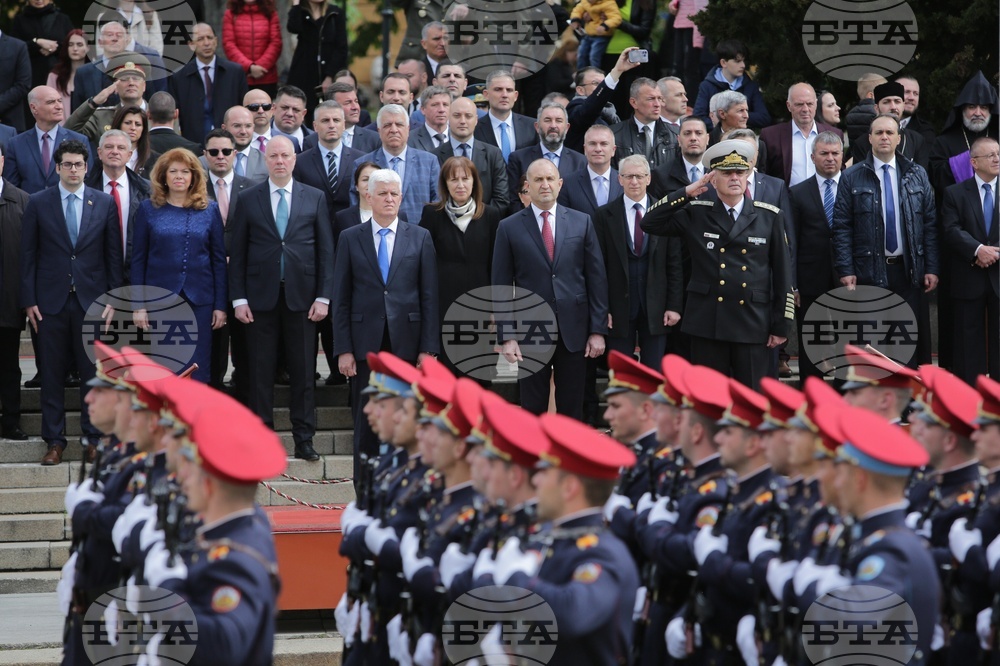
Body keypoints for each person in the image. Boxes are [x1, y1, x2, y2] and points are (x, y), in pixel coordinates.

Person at [138, 377, 286, 666]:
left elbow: (220, 645)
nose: (181, 478)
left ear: (209, 486)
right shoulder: (224, 535)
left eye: (190, 471)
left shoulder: (236, 558)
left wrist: (165, 590)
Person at [474, 413, 639, 664]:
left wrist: (518, 580)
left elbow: (572, 613)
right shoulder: (555, 540)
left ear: (569, 487)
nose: (536, 479)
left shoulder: (603, 553)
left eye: (546, 471)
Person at [791, 407, 940, 665]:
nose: (836, 484)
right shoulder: (880, 540)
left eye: (842, 474)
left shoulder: (893, 551)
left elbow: (852, 622)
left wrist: (814, 588)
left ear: (859, 479)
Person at [641, 140, 794, 388]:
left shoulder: (769, 217)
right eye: (726, 173)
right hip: (709, 322)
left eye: (740, 172)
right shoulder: (697, 212)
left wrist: (781, 325)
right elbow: (649, 222)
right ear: (712, 179)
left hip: (752, 321)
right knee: (709, 400)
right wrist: (686, 192)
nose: (734, 177)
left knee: (752, 400)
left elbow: (783, 275)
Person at [228, 136, 333, 462]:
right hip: (259, 300)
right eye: (273, 156)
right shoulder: (248, 199)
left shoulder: (313, 197)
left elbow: (326, 251)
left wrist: (324, 296)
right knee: (260, 373)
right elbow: (238, 253)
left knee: (303, 372)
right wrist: (238, 300)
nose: (279, 161)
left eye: (285, 155)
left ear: (294, 159)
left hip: (303, 299)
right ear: (266, 159)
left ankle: (304, 438)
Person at [20, 139, 123, 465]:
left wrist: (112, 298)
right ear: (58, 167)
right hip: (49, 304)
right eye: (68, 164)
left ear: (87, 166)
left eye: (79, 164)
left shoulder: (103, 203)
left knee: (93, 374)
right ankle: (54, 441)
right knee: (50, 375)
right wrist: (29, 300)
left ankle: (93, 439)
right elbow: (28, 256)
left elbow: (112, 257)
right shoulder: (38, 202)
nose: (74, 169)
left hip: (93, 302)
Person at [332, 168, 439, 478]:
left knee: (406, 421)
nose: (389, 198)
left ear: (401, 197)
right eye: (383, 193)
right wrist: (344, 349)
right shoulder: (350, 238)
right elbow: (341, 297)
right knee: (366, 423)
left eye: (394, 193)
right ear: (369, 196)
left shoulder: (420, 237)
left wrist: (428, 349)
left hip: (407, 343)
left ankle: (405, 489)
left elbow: (429, 296)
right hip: (365, 346)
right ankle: (364, 493)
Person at [492, 158, 609, 419]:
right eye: (537, 180)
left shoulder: (582, 222)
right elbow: (500, 286)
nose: (544, 185)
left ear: (560, 184)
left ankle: (568, 458)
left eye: (549, 179)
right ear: (528, 186)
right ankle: (534, 458)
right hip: (530, 331)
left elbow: (596, 279)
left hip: (575, 329)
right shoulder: (508, 227)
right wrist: (507, 335)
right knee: (532, 408)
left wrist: (597, 330)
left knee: (571, 407)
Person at [833, 114, 939, 367]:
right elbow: (842, 227)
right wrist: (846, 269)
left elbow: (929, 225)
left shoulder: (917, 174)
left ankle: (908, 404)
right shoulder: (851, 176)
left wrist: (932, 267)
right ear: (869, 138)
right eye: (878, 132)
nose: (884, 137)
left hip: (909, 270)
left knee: (907, 340)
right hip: (869, 271)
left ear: (898, 138)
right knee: (874, 343)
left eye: (889, 133)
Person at [131, 147, 226, 384]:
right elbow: (138, 259)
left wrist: (220, 305)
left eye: (185, 171)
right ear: (163, 175)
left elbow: (218, 260)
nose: (179, 176)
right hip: (161, 301)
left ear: (194, 176)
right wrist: (138, 305)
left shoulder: (209, 210)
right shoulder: (148, 209)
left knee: (198, 365)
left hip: (201, 301)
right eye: (173, 171)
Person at [594, 154, 682, 367]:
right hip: (618, 308)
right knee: (622, 373)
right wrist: (602, 310)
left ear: (648, 179)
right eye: (629, 176)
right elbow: (598, 267)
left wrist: (674, 306)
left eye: (639, 176)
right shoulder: (603, 216)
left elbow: (675, 265)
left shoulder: (665, 214)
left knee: (654, 372)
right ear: (619, 179)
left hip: (658, 308)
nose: (634, 181)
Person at [420, 155, 501, 350]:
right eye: (453, 179)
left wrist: (495, 310)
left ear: (474, 182)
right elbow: (425, 263)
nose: (460, 185)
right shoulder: (432, 214)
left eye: (465, 178)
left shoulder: (490, 215)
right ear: (445, 184)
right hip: (444, 309)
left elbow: (496, 265)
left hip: (481, 308)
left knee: (479, 375)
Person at [941, 137, 999, 384]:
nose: (997, 159)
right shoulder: (955, 193)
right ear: (974, 162)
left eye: (998, 154)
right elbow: (950, 229)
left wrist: (993, 252)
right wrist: (977, 250)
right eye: (990, 156)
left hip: (998, 275)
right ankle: (968, 400)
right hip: (968, 274)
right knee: (967, 342)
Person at [789, 131, 844, 382]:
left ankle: (849, 392)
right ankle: (813, 394)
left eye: (835, 153)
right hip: (811, 276)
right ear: (812, 157)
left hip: (848, 275)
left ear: (843, 156)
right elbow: (793, 240)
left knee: (849, 337)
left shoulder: (855, 187)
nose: (830, 159)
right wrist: (794, 284)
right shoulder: (797, 193)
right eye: (824, 154)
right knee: (812, 336)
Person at [203, 128, 252, 393]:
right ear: (205, 155)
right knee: (214, 353)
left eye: (226, 151)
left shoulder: (252, 188)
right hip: (208, 281)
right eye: (214, 152)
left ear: (235, 153)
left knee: (246, 354)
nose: (220, 157)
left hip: (245, 281)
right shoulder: (195, 188)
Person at [355, 104, 440, 226]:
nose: (394, 130)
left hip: (420, 237)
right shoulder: (362, 164)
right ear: (379, 131)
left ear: (408, 129)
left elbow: (437, 205)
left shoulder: (429, 162)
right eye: (387, 125)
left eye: (399, 125)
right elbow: (357, 209)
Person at [84, 129, 151, 281]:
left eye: (121, 148)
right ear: (99, 153)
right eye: (109, 147)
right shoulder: (85, 190)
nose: (114, 152)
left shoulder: (147, 191)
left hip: (137, 277)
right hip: (96, 278)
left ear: (129, 155)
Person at [169, 23, 249, 146]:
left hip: (230, 143)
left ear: (216, 41)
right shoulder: (179, 77)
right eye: (200, 39)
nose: (206, 43)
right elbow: (175, 117)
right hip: (193, 144)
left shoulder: (234, 72)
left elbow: (244, 109)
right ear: (191, 45)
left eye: (210, 38)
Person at [2, 85, 90, 194]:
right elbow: (11, 187)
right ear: (34, 108)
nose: (59, 107)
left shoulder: (79, 140)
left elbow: (87, 181)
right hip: (29, 208)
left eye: (60, 101)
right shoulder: (16, 143)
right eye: (51, 102)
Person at [434, 96, 509, 215]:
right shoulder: (434, 155)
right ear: (448, 119)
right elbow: (435, 196)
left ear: (476, 120)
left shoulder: (493, 154)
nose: (462, 121)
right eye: (457, 115)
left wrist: (478, 222)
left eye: (468, 116)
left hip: (485, 227)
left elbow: (501, 198)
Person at [759, 82, 844, 186]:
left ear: (816, 104)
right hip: (786, 200)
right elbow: (762, 176)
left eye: (809, 104)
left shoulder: (835, 134)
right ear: (789, 106)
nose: (805, 109)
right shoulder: (770, 136)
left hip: (824, 200)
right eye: (799, 104)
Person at [0, 143, 29, 440]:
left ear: (3, 161)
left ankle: (11, 421)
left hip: (8, 300)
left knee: (9, 366)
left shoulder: (21, 200)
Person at [507, 102, 587, 206]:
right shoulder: (518, 159)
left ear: (567, 128)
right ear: (537, 127)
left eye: (558, 121)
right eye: (547, 120)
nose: (553, 125)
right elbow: (513, 201)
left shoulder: (581, 162)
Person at [65, 53, 150, 147]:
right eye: (124, 79)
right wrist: (93, 103)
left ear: (144, 86)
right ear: (115, 87)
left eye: (136, 78)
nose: (131, 83)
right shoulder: (102, 117)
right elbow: (68, 132)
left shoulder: (157, 115)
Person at [286, 0, 347, 119]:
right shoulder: (300, 11)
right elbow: (293, 27)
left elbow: (341, 48)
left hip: (328, 74)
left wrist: (329, 76)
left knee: (330, 114)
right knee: (304, 115)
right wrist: (296, 5)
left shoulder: (335, 13)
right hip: (304, 75)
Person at [692, 38, 770, 131]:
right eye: (737, 61)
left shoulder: (750, 86)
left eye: (743, 61)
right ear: (724, 63)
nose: (743, 65)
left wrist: (730, 116)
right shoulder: (707, 86)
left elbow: (764, 118)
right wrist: (730, 121)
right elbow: (698, 118)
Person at [850, 81, 929, 169]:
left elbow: (921, 178)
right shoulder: (862, 143)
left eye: (897, 101)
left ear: (903, 106)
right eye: (886, 102)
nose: (893, 107)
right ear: (876, 108)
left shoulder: (917, 140)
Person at [611, 77, 677, 171]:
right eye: (651, 99)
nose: (657, 104)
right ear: (634, 103)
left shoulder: (676, 134)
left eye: (659, 98)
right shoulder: (614, 135)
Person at [559, 124, 624, 218]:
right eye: (592, 144)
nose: (598, 149)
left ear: (613, 150)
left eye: (604, 144)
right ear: (585, 149)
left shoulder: (625, 181)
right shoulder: (568, 183)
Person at [9, 0, 73, 91]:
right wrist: (37, 42)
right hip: (31, 76)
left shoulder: (62, 19)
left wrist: (54, 47)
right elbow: (14, 47)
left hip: (59, 76)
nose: (39, 0)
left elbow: (71, 44)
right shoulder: (20, 20)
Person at [222, 0, 282, 98]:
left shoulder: (270, 12)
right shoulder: (231, 13)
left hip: (266, 77)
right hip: (241, 77)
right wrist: (249, 67)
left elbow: (276, 43)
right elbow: (229, 44)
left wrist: (260, 67)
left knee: (265, 111)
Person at [474, 70, 538, 161]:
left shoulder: (532, 126)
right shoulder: (475, 128)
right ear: (486, 94)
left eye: (509, 90)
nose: (504, 95)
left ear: (515, 96)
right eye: (498, 89)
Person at [323, 83, 381, 153]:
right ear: (331, 107)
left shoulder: (374, 139)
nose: (355, 107)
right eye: (348, 103)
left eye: (356, 101)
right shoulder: (313, 140)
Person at [45, 28, 88, 120]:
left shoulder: (95, 75)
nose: (75, 49)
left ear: (88, 48)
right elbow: (49, 106)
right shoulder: (55, 76)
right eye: (71, 45)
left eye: (79, 45)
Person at [219, 104, 269, 182]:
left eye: (248, 126)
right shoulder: (206, 162)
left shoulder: (266, 161)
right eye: (237, 126)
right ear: (224, 128)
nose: (243, 131)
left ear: (253, 128)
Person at [570, 0, 622, 69]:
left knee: (594, 56)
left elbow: (616, 18)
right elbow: (577, 10)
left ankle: (595, 73)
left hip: (601, 35)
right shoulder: (585, 2)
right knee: (581, 54)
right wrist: (575, 19)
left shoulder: (608, 3)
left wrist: (605, 25)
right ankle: (580, 74)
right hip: (588, 33)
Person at [111, 104, 159, 177]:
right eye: (128, 123)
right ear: (118, 125)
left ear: (143, 129)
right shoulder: (104, 157)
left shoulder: (155, 160)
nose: (133, 128)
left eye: (138, 124)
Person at [270, 85, 314, 152]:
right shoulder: (258, 137)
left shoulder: (316, 141)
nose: (290, 114)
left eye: (296, 110)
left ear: (303, 114)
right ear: (274, 109)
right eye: (285, 108)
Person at [407, 86, 451, 152]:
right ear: (423, 109)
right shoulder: (410, 139)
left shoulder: (459, 137)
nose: (441, 110)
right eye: (435, 105)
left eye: (445, 104)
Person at [896, 75, 936, 145]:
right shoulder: (874, 123)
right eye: (906, 92)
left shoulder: (925, 131)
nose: (912, 98)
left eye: (915, 94)